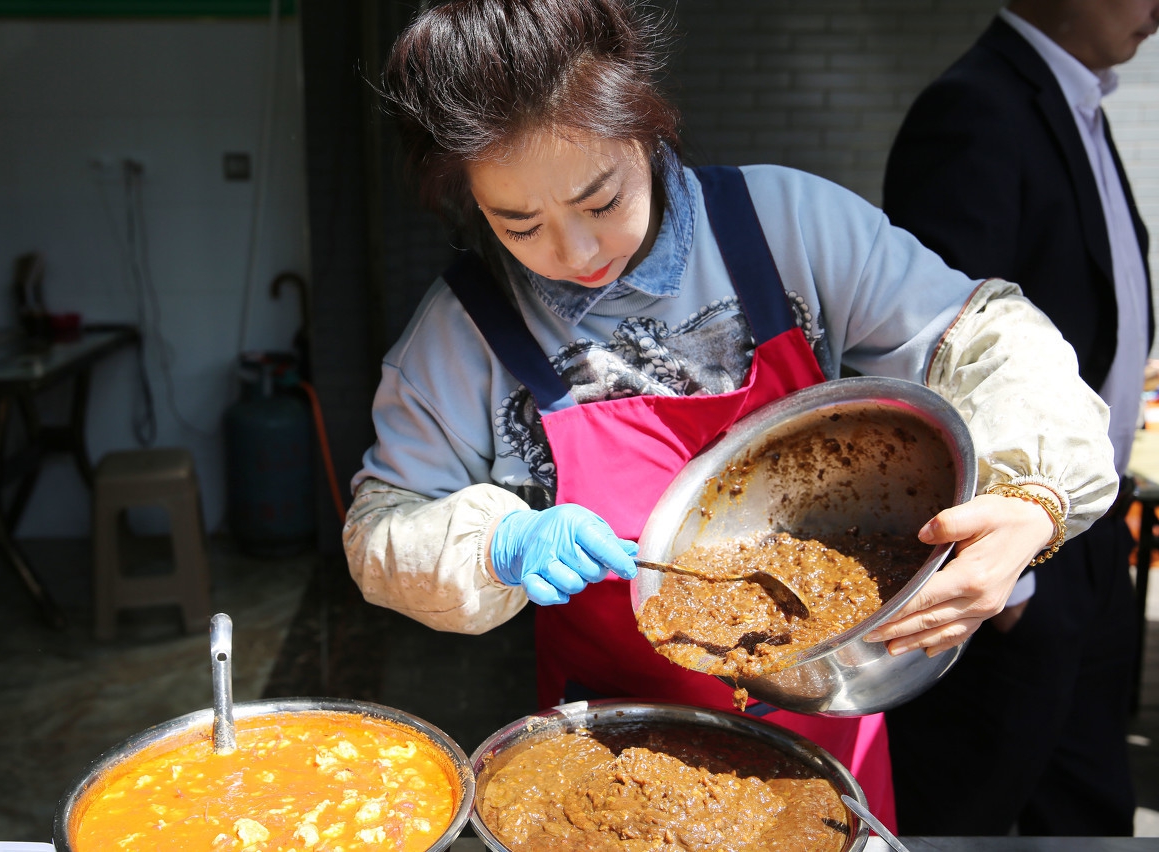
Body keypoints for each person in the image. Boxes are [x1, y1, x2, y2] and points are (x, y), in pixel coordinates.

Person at [343, 0, 1119, 830]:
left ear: (646, 126)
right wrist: (493, 545)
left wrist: (1034, 497)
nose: (576, 254)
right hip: (605, 766)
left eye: (601, 201)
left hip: (828, 723)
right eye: (519, 224)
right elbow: (381, 531)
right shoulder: (461, 334)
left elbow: (991, 337)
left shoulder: (788, 228)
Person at [880, 0, 1157, 837]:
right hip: (1013, 552)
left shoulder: (1075, 102)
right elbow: (935, 339)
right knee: (973, 799)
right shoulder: (976, 107)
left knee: (1086, 800)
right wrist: (1015, 575)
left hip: (1087, 528)